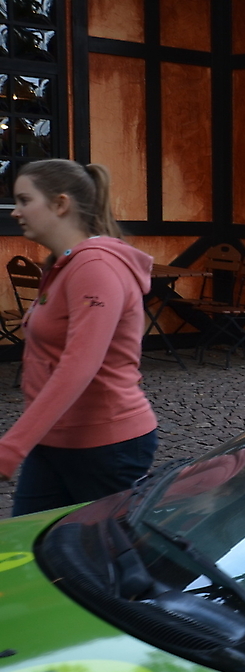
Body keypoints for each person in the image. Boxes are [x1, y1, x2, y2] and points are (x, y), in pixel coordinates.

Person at [0, 160, 158, 515]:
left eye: (24, 200)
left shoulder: (95, 268)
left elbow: (79, 366)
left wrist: (11, 447)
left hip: (105, 448)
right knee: (30, 542)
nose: (15, 212)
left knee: (107, 548)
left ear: (60, 204)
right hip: (53, 439)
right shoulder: (65, 266)